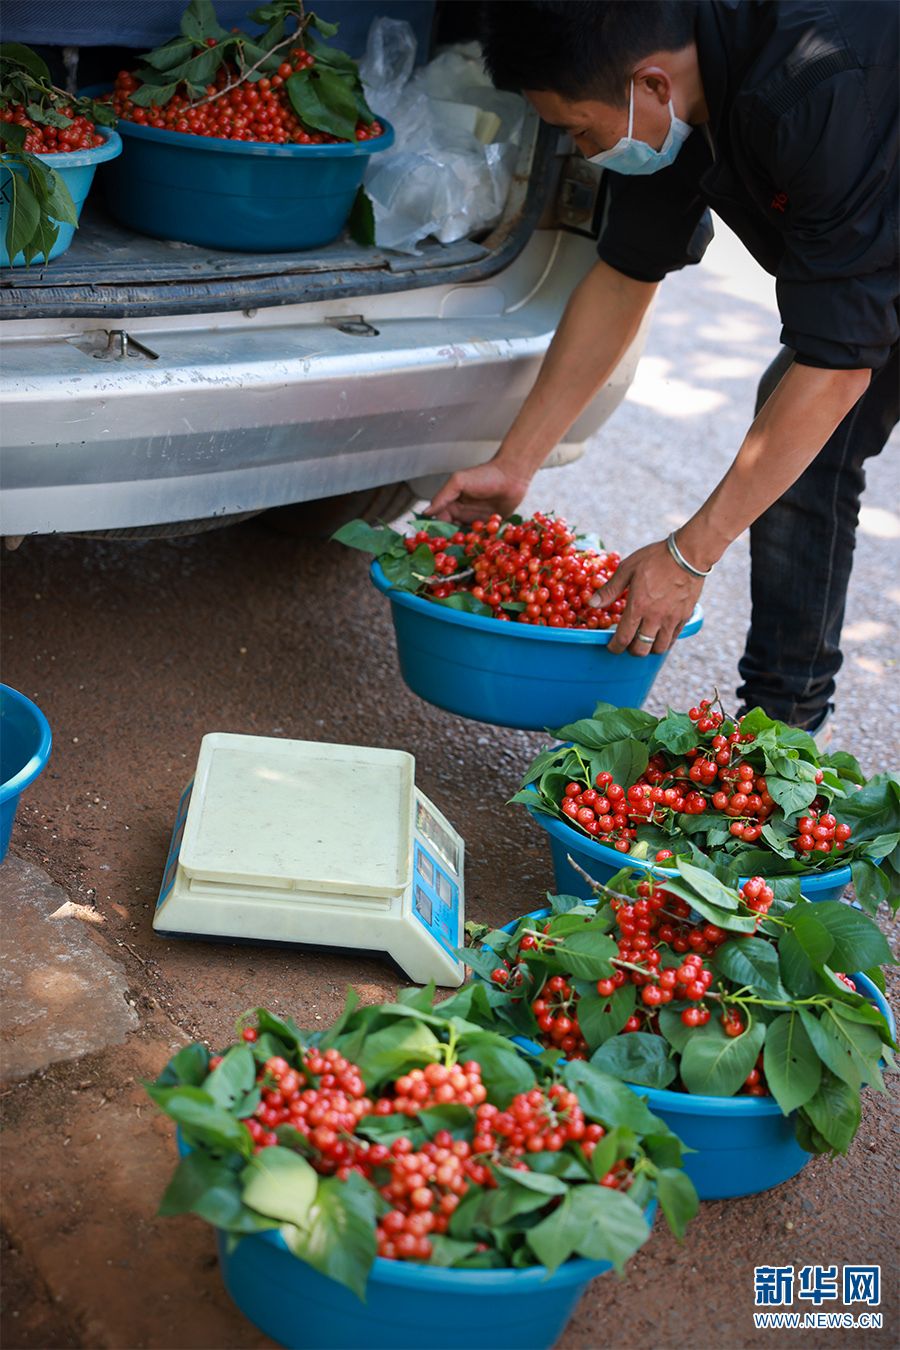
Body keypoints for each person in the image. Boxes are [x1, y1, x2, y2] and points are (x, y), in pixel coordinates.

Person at [428, 0, 899, 733]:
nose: (584, 153)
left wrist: (688, 555)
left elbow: (838, 363)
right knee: (803, 436)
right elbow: (623, 276)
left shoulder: (820, 87)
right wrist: (516, 462)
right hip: (876, 230)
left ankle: (782, 733)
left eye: (578, 131)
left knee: (807, 404)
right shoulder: (669, 95)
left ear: (651, 85)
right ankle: (779, 733)